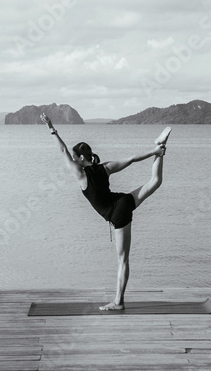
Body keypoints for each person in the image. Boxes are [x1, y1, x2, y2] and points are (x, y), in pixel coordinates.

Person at [40, 112, 171, 311]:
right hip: (124, 201)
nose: (73, 161)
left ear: (81, 158)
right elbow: (131, 159)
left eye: (76, 158)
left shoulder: (81, 174)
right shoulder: (105, 168)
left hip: (117, 214)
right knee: (155, 182)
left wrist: (51, 129)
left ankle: (119, 302)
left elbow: (62, 151)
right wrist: (153, 152)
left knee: (123, 260)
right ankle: (160, 148)